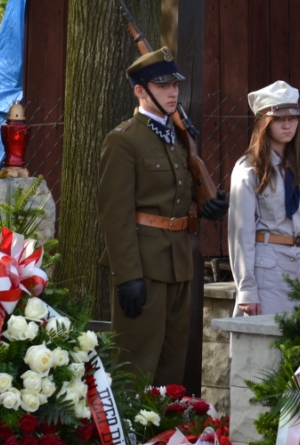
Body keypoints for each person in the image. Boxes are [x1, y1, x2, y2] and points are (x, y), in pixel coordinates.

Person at [98, 47, 228, 386]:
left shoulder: (178, 137)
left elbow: (177, 193)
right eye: (162, 85)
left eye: (175, 85)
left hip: (179, 262)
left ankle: (164, 437)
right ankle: (129, 437)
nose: (173, 92)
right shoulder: (124, 141)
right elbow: (116, 214)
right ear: (140, 90)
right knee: (135, 363)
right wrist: (127, 275)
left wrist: (206, 205)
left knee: (173, 364)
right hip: (144, 265)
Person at [228, 81, 300, 315]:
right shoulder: (249, 169)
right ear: (264, 123)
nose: (288, 125)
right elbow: (241, 233)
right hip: (269, 273)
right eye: (279, 119)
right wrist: (247, 289)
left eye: (293, 118)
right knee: (265, 346)